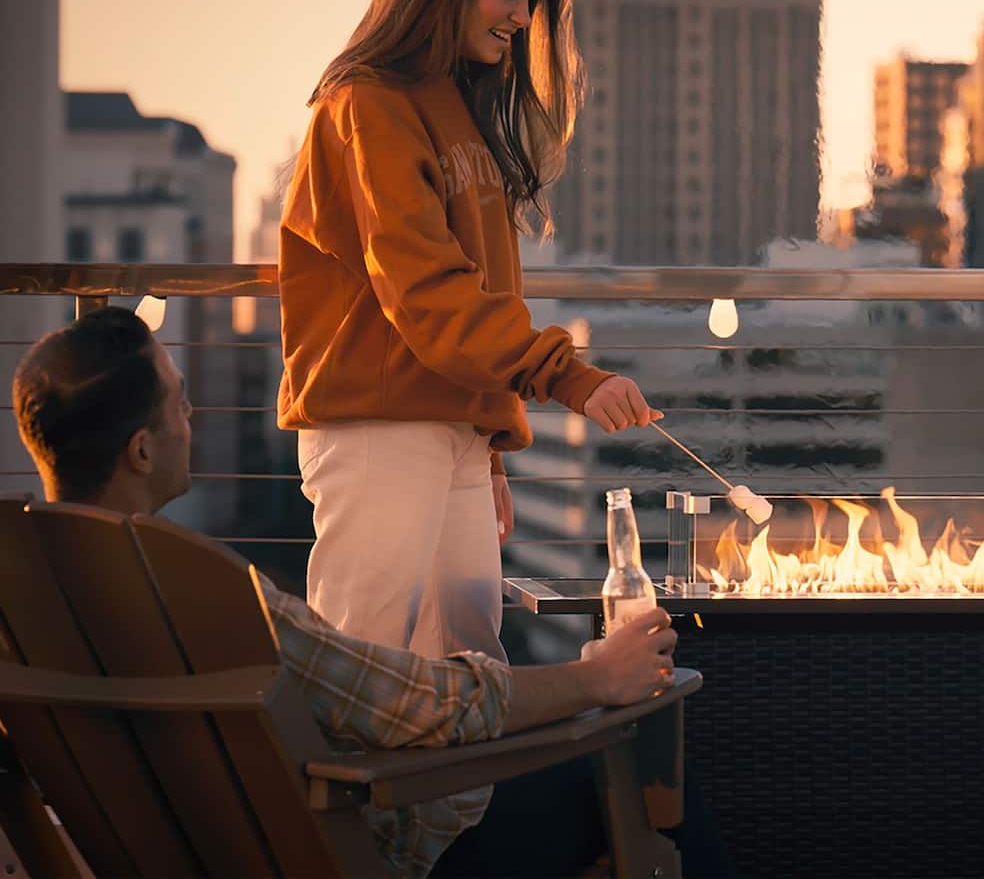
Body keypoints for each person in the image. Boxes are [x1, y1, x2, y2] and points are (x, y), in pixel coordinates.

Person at [11, 308, 681, 878]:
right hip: (356, 853)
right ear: (142, 452)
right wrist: (595, 679)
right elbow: (423, 703)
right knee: (652, 793)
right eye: (179, 401)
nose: (192, 416)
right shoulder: (205, 599)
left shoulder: (23, 603)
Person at [277, 0, 660, 663]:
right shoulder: (367, 105)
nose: (522, 19)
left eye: (530, 0)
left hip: (448, 429)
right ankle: (332, 797)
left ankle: (446, 798)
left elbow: (479, 289)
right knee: (364, 669)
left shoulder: (456, 107)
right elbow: (425, 287)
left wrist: (483, 440)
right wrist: (569, 378)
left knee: (469, 668)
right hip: (376, 428)